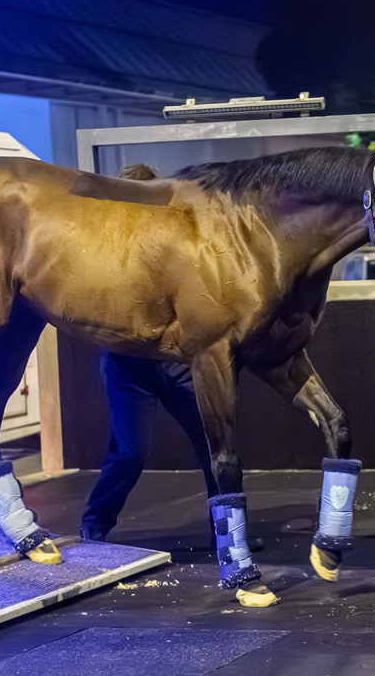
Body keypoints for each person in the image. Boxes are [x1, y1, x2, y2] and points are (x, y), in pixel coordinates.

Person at [80, 164, 262, 552]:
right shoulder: (107, 248)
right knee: (130, 451)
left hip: (177, 365)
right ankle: (94, 527)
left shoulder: (175, 243)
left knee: (217, 447)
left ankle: (229, 533)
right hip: (128, 367)